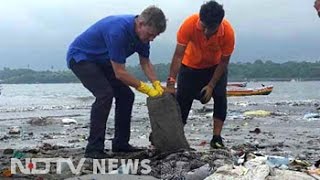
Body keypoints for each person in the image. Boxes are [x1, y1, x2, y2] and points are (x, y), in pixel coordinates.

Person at [66, 5, 166, 159]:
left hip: (104, 62)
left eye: (155, 36)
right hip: (81, 58)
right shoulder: (118, 31)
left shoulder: (143, 37)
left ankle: (120, 144)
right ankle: (93, 148)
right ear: (140, 24)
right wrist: (145, 88)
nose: (151, 39)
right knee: (105, 94)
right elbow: (119, 73)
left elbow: (145, 63)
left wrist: (156, 84)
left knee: (126, 96)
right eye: (151, 34)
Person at [166, 1, 235, 149]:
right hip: (189, 66)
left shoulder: (228, 33)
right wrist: (171, 83)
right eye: (202, 26)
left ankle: (216, 138)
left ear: (218, 24)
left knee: (220, 97)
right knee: (182, 100)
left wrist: (211, 85)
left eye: (210, 29)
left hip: (214, 67)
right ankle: (176, 137)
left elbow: (224, 62)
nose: (205, 32)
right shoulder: (189, 24)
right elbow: (178, 55)